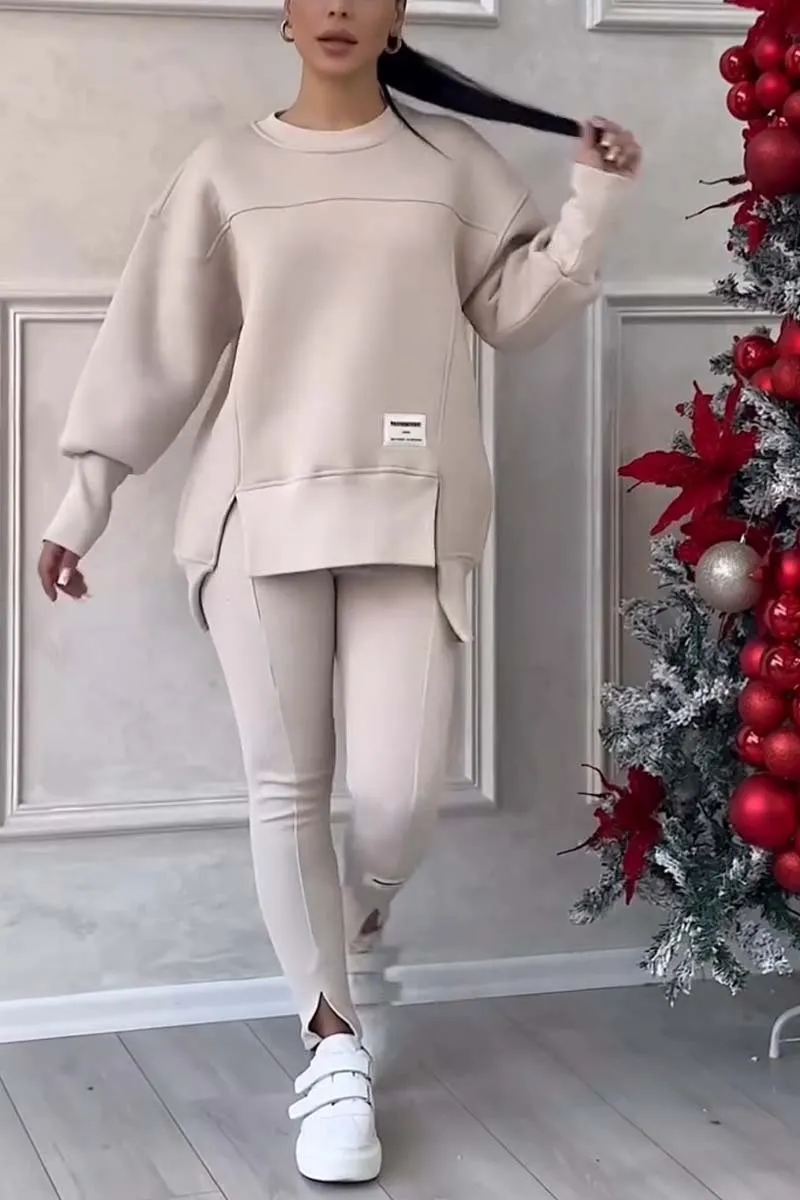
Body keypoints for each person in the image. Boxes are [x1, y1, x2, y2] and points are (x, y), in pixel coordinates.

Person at [38, 0, 641, 1185]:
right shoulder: (226, 169)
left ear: (396, 14)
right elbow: (156, 344)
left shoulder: (450, 164)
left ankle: (351, 916)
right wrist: (84, 498)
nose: (336, 9)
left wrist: (593, 205)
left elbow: (512, 317)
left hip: (409, 517)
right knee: (287, 785)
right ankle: (332, 1047)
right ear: (283, 12)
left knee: (398, 797)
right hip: (253, 516)